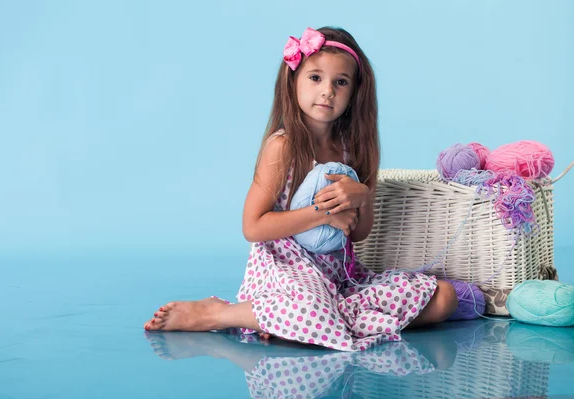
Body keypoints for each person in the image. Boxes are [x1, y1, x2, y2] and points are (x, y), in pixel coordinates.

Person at [144, 26, 458, 351]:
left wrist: (362, 197)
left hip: (337, 274)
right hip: (285, 269)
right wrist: (322, 215)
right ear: (293, 81)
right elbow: (252, 227)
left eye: (341, 82)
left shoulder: (355, 149)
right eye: (315, 78)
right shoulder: (283, 146)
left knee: (443, 299)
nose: (327, 92)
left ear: (354, 92)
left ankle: (301, 321)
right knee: (312, 309)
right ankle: (221, 314)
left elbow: (359, 233)